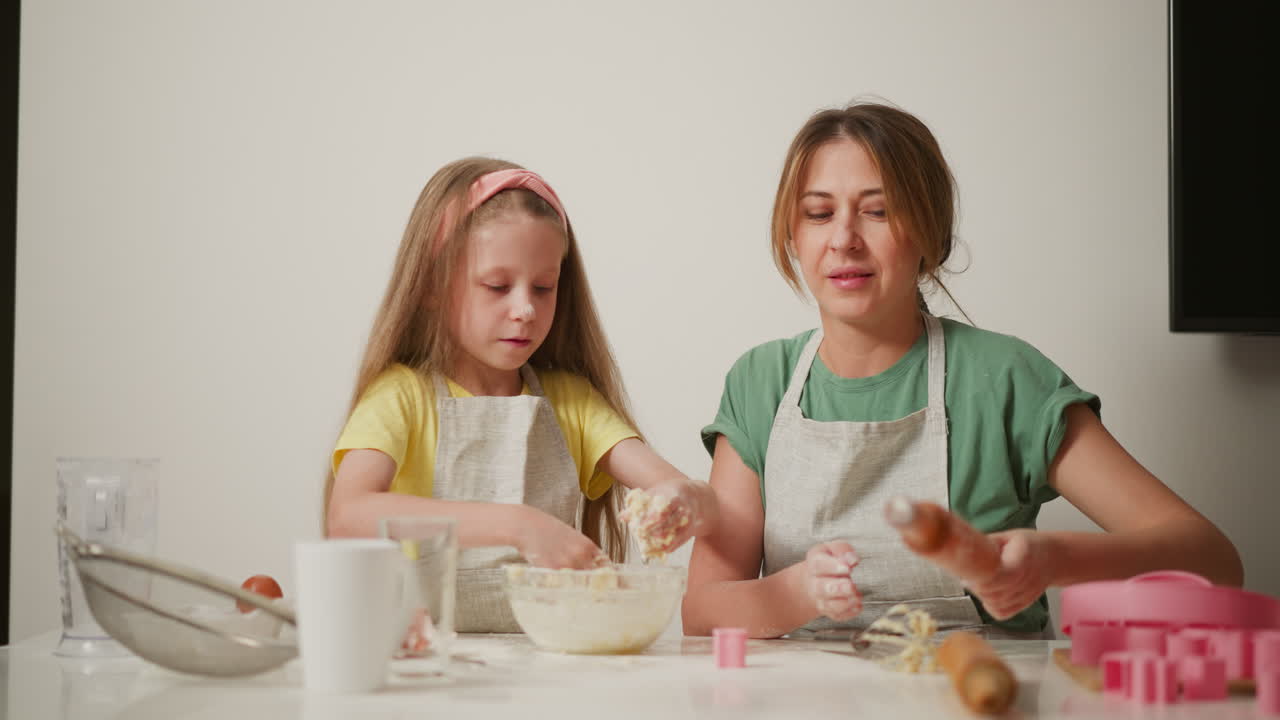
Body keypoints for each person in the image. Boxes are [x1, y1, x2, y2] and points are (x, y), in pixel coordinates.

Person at [682, 102, 1242, 638]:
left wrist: (1055, 559)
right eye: (819, 213)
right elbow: (703, 609)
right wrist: (798, 593)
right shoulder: (760, 383)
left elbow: (1214, 561)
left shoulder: (1004, 380)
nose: (844, 239)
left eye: (878, 211)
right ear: (793, 235)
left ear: (929, 232)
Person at [326, 157, 717, 632]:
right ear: (431, 286)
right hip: (426, 669)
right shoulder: (401, 397)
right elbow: (348, 515)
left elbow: (685, 491)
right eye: (497, 286)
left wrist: (682, 499)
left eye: (544, 287)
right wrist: (518, 524)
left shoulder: (571, 403)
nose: (525, 309)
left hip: (545, 671)